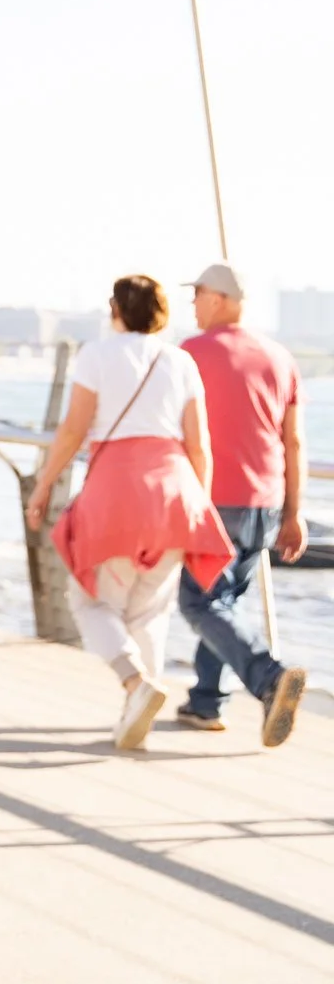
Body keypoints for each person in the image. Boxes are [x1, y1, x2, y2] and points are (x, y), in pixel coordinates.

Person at [26, 273, 233, 750]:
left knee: (89, 601)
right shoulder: (180, 360)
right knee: (149, 613)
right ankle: (133, 718)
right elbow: (199, 445)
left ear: (117, 310)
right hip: (174, 494)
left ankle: (134, 686)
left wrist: (44, 486)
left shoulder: (97, 354)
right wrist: (198, 505)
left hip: (116, 493)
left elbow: (74, 430)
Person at [175, 261, 308, 742]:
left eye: (197, 295)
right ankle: (206, 702)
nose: (192, 304)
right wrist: (294, 513)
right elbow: (293, 442)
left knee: (199, 603)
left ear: (219, 299)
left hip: (212, 499)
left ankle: (269, 677)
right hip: (265, 503)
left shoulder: (188, 354)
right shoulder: (279, 357)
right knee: (224, 601)